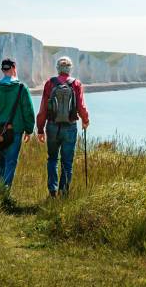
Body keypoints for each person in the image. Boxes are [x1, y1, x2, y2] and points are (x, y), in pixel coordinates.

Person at [37, 56, 89, 198]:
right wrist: (85, 120)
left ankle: (52, 191)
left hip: (52, 126)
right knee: (67, 162)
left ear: (58, 69)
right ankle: (63, 191)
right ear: (70, 69)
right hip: (70, 127)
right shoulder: (76, 84)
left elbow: (43, 108)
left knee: (52, 159)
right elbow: (81, 106)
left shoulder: (50, 83)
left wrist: (40, 129)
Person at [0, 58, 35, 190]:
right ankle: (5, 190)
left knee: (2, 159)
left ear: (2, 70)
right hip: (15, 130)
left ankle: (0, 188)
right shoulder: (21, 88)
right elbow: (28, 110)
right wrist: (29, 130)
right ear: (14, 68)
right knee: (11, 161)